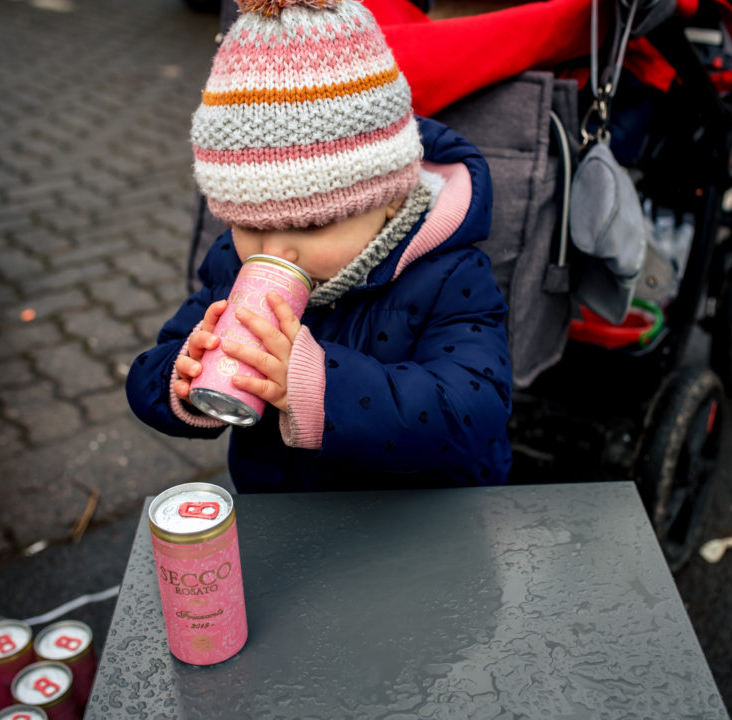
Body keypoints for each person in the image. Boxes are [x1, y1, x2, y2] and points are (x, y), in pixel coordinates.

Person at [126, 0, 512, 493]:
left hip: (426, 519)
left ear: (391, 198)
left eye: (309, 227)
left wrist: (317, 386)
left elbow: (471, 409)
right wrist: (178, 375)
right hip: (287, 514)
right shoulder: (232, 264)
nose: (275, 252)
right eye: (249, 225)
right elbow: (151, 371)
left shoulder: (449, 276)